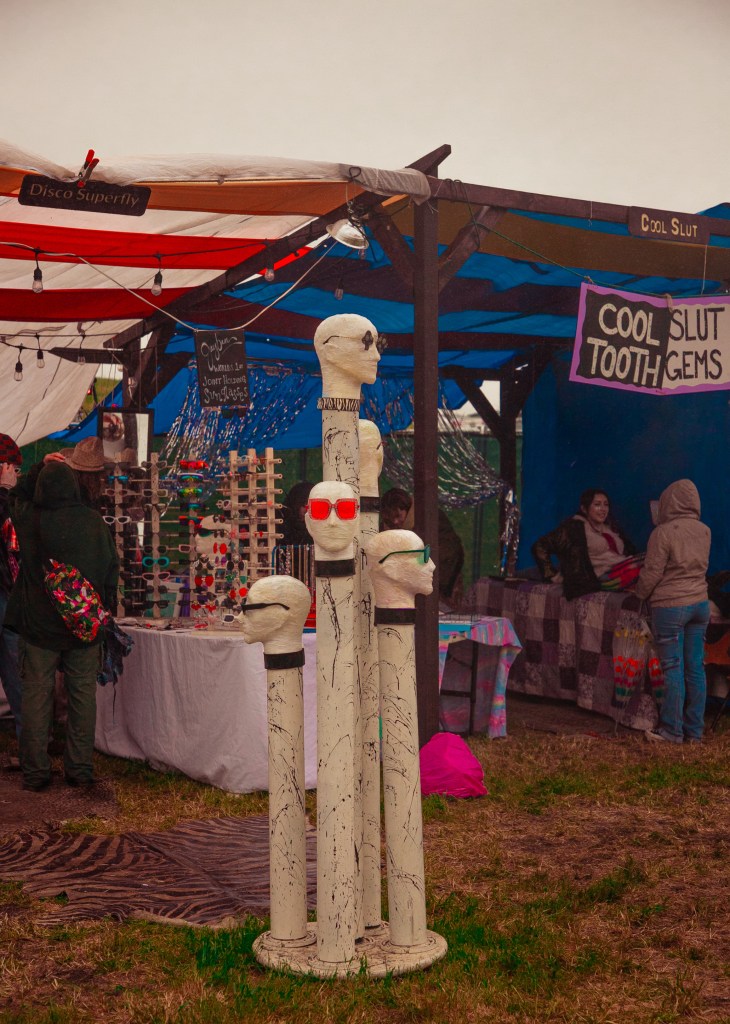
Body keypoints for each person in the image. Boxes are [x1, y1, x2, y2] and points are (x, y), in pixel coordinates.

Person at [5, 460, 119, 791]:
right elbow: (111, 568)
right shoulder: (93, 521)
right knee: (82, 694)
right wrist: (101, 607)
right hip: (83, 626)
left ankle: (36, 772)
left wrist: (38, 468)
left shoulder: (30, 519)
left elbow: (15, 494)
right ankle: (80, 769)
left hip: (38, 627)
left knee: (36, 695)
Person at [634, 479, 711, 745]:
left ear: (669, 502)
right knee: (696, 669)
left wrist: (639, 593)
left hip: (671, 606)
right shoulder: (705, 530)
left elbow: (652, 572)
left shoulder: (663, 532)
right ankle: (694, 732)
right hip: (700, 604)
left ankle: (671, 731)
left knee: (673, 669)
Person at [532, 488, 638, 601]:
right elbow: (539, 546)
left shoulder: (610, 527)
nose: (603, 509)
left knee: (648, 565)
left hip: (622, 567)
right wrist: (554, 576)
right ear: (584, 509)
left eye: (606, 505)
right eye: (597, 504)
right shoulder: (574, 528)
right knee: (645, 573)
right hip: (602, 575)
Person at [0, 433, 23, 746]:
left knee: (18, 671)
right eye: (13, 468)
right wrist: (4, 490)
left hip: (7, 593)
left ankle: (31, 743)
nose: (16, 475)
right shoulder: (4, 496)